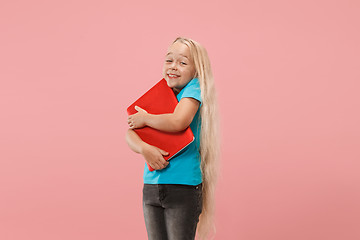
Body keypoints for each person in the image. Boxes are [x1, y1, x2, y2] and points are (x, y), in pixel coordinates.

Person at [126, 37, 220, 240]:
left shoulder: (193, 90)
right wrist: (144, 148)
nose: (173, 67)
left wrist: (146, 118)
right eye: (169, 60)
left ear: (197, 70)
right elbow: (131, 131)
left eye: (183, 62)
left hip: (183, 186)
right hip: (151, 186)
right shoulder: (160, 94)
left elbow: (179, 121)